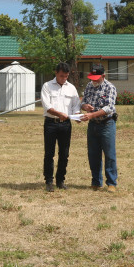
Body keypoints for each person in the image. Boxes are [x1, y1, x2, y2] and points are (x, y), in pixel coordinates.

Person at [40, 62, 80, 192]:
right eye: (62, 76)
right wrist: (59, 114)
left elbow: (75, 105)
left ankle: (60, 180)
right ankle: (49, 181)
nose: (64, 78)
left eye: (66, 76)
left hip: (66, 125)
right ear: (56, 73)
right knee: (49, 153)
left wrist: (77, 115)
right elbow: (47, 106)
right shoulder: (47, 86)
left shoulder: (71, 88)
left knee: (64, 153)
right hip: (51, 123)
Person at [80, 63, 118, 191]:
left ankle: (111, 183)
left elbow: (109, 108)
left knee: (109, 154)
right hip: (93, 125)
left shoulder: (110, 88)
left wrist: (92, 114)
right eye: (91, 78)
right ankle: (96, 182)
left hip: (107, 124)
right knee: (93, 154)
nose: (93, 81)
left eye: (96, 79)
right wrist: (84, 106)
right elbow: (83, 101)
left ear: (103, 76)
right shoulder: (89, 86)